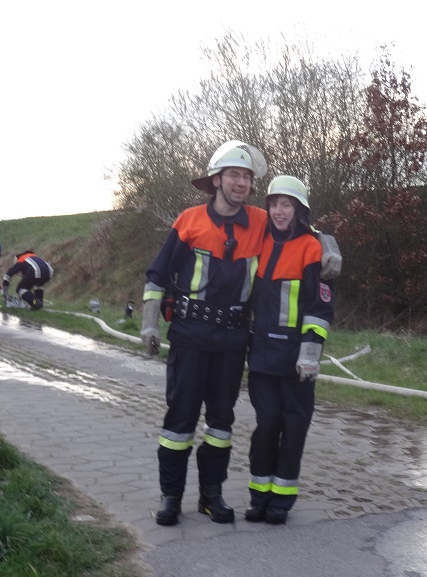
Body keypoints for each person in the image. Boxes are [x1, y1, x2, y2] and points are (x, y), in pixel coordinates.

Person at [140, 140, 339, 527]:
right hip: (190, 335)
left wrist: (330, 248)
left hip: (232, 341)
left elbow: (301, 226)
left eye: (247, 177)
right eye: (234, 175)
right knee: (179, 420)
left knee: (221, 424)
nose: (241, 183)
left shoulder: (260, 220)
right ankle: (171, 497)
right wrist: (149, 322)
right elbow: (157, 274)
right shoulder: (189, 221)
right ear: (216, 180)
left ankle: (211, 497)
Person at [244, 176, 334, 525]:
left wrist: (310, 356)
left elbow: (319, 308)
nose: (279, 211)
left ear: (299, 210)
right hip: (262, 355)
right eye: (274, 204)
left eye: (286, 205)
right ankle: (259, 495)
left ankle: (282, 500)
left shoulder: (313, 248)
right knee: (267, 424)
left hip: (297, 360)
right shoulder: (260, 242)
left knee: (293, 427)